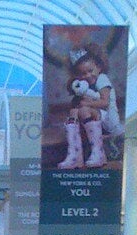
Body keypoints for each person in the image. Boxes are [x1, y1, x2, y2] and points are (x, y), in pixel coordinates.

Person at [57, 41, 122, 170]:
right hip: (98, 118)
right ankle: (75, 156)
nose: (87, 76)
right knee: (74, 112)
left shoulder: (102, 78)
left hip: (110, 120)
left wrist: (87, 103)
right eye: (82, 73)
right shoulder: (84, 84)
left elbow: (105, 102)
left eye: (90, 71)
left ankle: (99, 154)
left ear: (99, 67)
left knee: (84, 110)